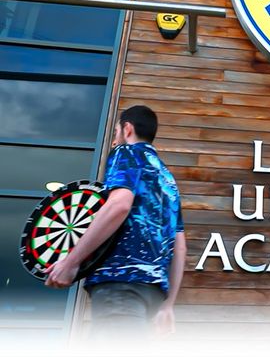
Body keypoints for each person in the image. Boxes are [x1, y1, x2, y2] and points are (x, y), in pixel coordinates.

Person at [46, 105, 186, 339]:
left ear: (127, 129)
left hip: (121, 286)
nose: (113, 141)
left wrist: (70, 262)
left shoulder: (127, 153)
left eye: (115, 132)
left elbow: (119, 205)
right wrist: (167, 305)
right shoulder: (167, 179)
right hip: (151, 293)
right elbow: (179, 245)